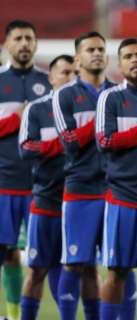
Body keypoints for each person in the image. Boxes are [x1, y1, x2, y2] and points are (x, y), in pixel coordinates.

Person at [52, 31, 121, 320]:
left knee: (112, 267)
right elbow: (68, 142)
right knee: (74, 263)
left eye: (101, 49)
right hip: (80, 189)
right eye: (90, 49)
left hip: (116, 190)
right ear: (78, 58)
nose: (97, 53)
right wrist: (103, 125)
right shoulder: (64, 95)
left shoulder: (119, 92)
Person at [95, 38, 137, 320]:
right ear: (120, 64)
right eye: (128, 56)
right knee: (117, 271)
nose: (135, 60)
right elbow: (105, 141)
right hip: (123, 199)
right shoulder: (110, 98)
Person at [17, 54, 76, 320]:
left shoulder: (86, 106)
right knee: (38, 269)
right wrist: (61, 146)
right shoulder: (37, 109)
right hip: (46, 201)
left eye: (74, 73)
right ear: (51, 78)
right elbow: (26, 148)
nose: (70, 77)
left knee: (78, 268)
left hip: (78, 201)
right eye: (64, 72)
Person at [0, 19, 51, 320]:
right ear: (7, 43)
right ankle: (12, 314)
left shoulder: (47, 83)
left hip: (40, 184)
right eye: (18, 38)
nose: (24, 44)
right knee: (6, 253)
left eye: (29, 38)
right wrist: (18, 118)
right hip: (3, 182)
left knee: (40, 258)